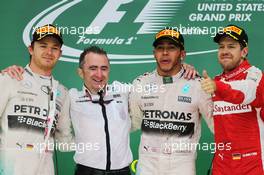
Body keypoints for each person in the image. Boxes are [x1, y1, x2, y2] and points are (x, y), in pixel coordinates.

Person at [129, 27, 214, 175]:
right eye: (160, 48)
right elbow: (133, 123)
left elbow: (218, 126)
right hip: (147, 164)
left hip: (182, 165)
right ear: (154, 53)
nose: (165, 53)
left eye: (171, 48)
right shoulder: (140, 83)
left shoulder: (198, 85)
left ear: (182, 54)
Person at [0, 24, 73, 175]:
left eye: (54, 48)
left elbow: (64, 141)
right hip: (9, 167)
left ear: (60, 53)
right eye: (43, 46)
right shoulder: (10, 78)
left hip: (46, 169)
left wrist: (99, 143)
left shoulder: (62, 92)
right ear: (31, 49)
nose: (49, 52)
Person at [201, 24, 264, 175]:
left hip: (253, 166)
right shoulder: (214, 82)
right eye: (221, 47)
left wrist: (217, 87)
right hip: (222, 165)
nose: (225, 51)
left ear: (244, 51)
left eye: (231, 46)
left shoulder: (256, 76)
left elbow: (247, 91)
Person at [69, 46, 132, 175]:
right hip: (86, 172)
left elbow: (153, 86)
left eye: (104, 68)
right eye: (92, 68)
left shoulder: (123, 91)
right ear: (81, 72)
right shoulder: (71, 97)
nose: (99, 74)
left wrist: (182, 69)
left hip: (123, 172)